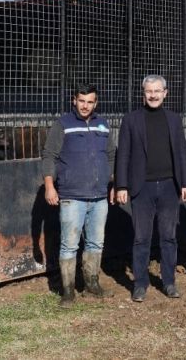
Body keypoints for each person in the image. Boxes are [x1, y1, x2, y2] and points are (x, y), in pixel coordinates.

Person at [115, 74, 186, 303]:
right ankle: (140, 284)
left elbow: (181, 153)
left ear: (165, 93)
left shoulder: (174, 119)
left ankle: (169, 282)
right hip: (142, 188)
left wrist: (185, 182)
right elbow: (123, 155)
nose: (153, 95)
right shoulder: (131, 120)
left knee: (169, 237)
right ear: (143, 93)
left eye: (158, 91)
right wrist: (122, 185)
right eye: (149, 91)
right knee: (141, 238)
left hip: (169, 186)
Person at [42, 83, 116, 307]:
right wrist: (49, 186)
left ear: (96, 103)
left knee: (95, 243)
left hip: (99, 196)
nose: (85, 106)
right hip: (72, 196)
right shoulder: (63, 124)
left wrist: (112, 183)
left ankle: (92, 284)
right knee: (69, 244)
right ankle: (68, 291)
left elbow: (111, 155)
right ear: (74, 100)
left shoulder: (103, 125)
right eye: (81, 101)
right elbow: (49, 155)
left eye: (90, 101)